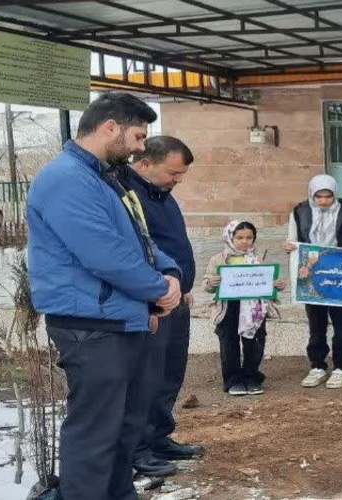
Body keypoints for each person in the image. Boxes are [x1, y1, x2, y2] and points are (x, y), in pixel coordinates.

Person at [27, 93, 182, 500]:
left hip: (116, 318)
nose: (140, 148)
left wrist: (170, 273)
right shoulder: (65, 178)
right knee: (96, 432)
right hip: (90, 324)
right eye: (137, 136)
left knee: (123, 427)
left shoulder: (102, 178)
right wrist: (158, 290)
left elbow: (140, 239)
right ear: (110, 127)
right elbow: (105, 255)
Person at [116, 136, 204, 477]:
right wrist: (152, 300)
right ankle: (138, 449)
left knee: (170, 374)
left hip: (176, 299)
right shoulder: (127, 196)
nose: (178, 180)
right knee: (146, 379)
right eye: (173, 173)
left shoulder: (162, 194)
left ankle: (159, 437)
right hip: (153, 304)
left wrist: (184, 286)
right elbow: (135, 253)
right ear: (145, 164)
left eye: (181, 174)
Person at [284, 174, 342, 389]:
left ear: (334, 195)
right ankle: (317, 366)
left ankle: (341, 368)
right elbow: (293, 241)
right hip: (313, 276)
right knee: (316, 323)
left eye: (328, 196)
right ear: (312, 195)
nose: (323, 201)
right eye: (319, 196)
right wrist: (290, 247)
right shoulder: (300, 211)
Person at [203, 221, 285, 395]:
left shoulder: (259, 258)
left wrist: (277, 285)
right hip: (228, 307)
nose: (244, 241)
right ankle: (233, 381)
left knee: (254, 342)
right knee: (229, 343)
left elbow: (267, 280)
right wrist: (211, 282)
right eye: (239, 237)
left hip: (255, 307)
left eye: (249, 237)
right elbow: (206, 284)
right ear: (230, 238)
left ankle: (251, 378)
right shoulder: (218, 259)